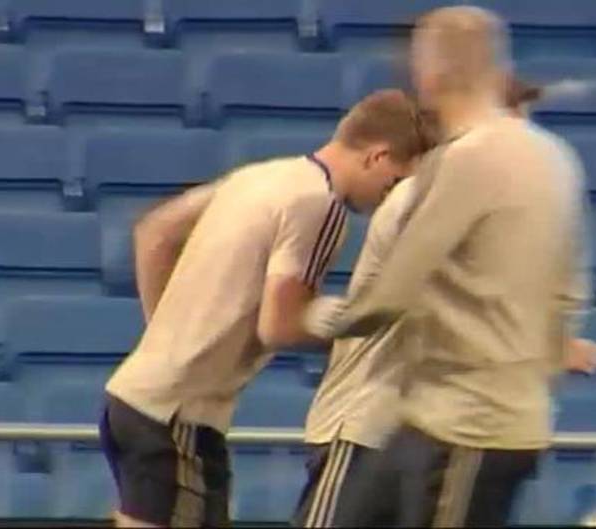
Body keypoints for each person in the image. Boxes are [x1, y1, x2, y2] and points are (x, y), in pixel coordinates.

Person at [303, 6, 592, 527]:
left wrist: (317, 317)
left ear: (427, 75)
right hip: (480, 418)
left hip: (462, 427)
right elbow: (570, 295)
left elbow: (390, 295)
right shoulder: (556, 159)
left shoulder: (464, 160)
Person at [98, 89, 434, 528]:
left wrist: (166, 335)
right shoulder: (323, 205)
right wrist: (356, 329)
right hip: (179, 414)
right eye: (392, 183)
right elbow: (280, 325)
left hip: (132, 398)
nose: (385, 201)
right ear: (377, 156)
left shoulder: (259, 176)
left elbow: (155, 232)